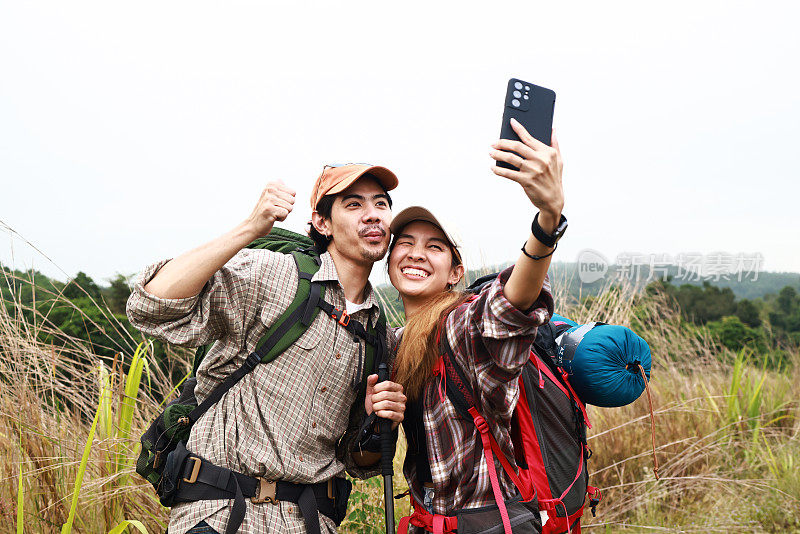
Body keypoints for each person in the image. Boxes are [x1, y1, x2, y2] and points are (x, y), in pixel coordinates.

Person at [126, 164, 407, 534]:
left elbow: (357, 460)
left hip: (309, 523)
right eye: (353, 204)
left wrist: (379, 424)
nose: (372, 213)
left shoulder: (378, 334)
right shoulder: (274, 274)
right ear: (322, 223)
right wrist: (251, 228)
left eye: (381, 204)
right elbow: (151, 305)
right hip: (219, 515)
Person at [387, 119, 564, 533]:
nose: (416, 255)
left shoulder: (461, 325)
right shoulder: (394, 344)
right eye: (406, 244)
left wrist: (547, 221)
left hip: (489, 522)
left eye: (434, 247)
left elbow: (510, 305)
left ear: (455, 272)